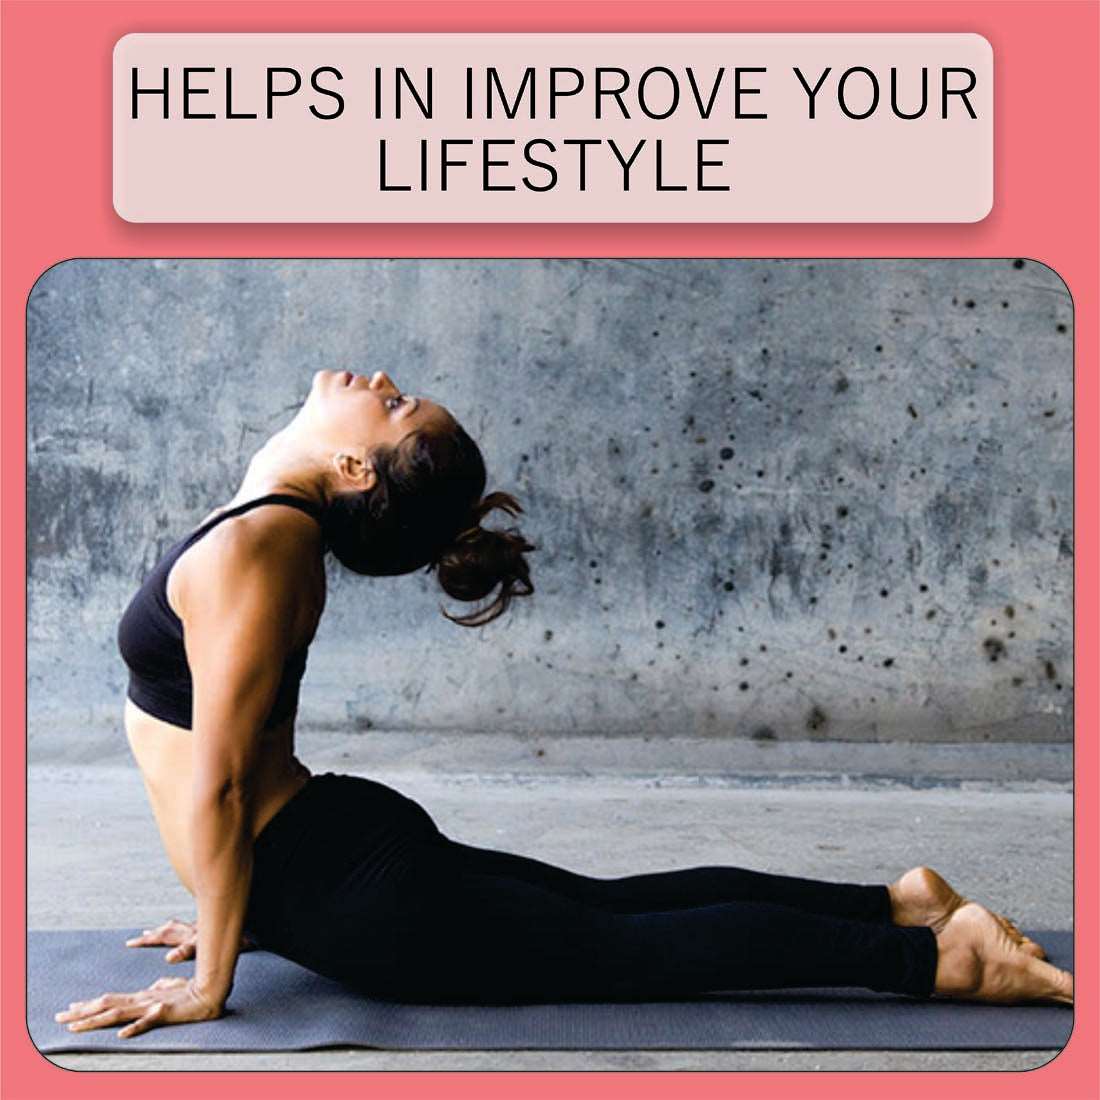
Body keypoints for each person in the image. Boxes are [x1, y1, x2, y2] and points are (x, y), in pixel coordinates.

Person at [55, 369, 1073, 1040]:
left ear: (354, 466)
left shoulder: (258, 547)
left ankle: (933, 955)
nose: (377, 384)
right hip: (319, 861)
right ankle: (896, 900)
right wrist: (224, 906)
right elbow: (225, 764)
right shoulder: (269, 513)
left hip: (333, 883)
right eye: (400, 397)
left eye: (394, 402)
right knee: (607, 903)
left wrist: (211, 975)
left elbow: (226, 778)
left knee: (625, 944)